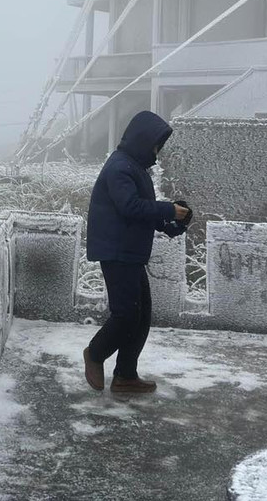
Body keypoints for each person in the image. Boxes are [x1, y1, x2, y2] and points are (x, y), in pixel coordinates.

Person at [83, 110, 191, 395]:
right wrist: (168, 209)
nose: (157, 151)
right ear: (144, 140)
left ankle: (125, 376)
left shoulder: (134, 168)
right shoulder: (120, 167)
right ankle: (95, 353)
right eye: (156, 144)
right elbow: (129, 206)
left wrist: (171, 225)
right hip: (116, 251)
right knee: (126, 315)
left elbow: (142, 210)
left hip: (128, 251)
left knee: (141, 315)